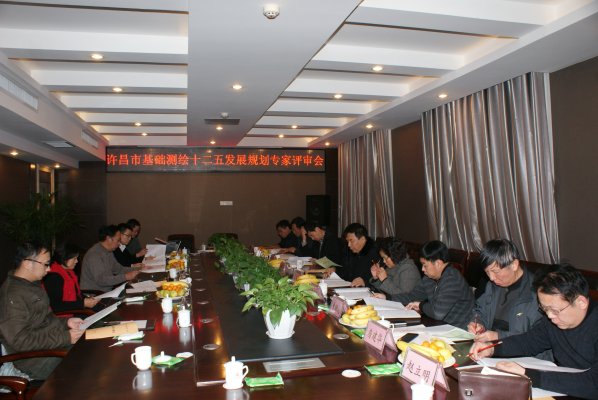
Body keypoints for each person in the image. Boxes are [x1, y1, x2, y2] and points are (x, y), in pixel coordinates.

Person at [470, 264, 598, 399]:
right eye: (544, 309)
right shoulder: (553, 322)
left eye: (555, 310)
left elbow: (594, 383)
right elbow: (528, 342)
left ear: (581, 302)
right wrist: (491, 348)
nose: (550, 316)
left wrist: (529, 375)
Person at [0, 243, 84, 380]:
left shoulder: (31, 284)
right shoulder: (12, 295)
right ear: (27, 264)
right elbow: (21, 341)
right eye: (45, 264)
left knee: (93, 342)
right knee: (88, 359)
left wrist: (67, 322)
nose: (49, 269)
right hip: (35, 359)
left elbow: (46, 319)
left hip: (51, 346)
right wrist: (65, 337)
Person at [467, 239, 544, 343]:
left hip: (520, 351)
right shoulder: (493, 286)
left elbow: (538, 337)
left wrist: (498, 336)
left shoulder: (538, 293)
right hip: (489, 346)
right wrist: (478, 324)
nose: (491, 278)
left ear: (514, 265)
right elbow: (480, 310)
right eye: (487, 272)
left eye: (495, 271)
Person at [390, 240, 474, 329]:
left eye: (425, 265)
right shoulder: (429, 278)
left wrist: (421, 306)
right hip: (439, 326)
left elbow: (438, 313)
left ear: (438, 263)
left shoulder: (452, 279)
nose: (422, 269)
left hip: (459, 330)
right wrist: (387, 297)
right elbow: (412, 296)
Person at [80, 225, 140, 292]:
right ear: (109, 239)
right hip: (94, 293)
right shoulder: (94, 254)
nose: (119, 244)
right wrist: (126, 277)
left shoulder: (108, 251)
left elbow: (119, 269)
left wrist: (138, 269)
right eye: (118, 240)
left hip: (107, 290)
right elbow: (101, 280)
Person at [44, 243, 100, 313]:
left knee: (103, 307)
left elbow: (76, 294)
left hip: (74, 309)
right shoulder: (53, 277)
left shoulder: (68, 272)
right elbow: (55, 306)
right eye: (74, 258)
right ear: (64, 258)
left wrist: (87, 299)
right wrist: (83, 303)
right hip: (63, 315)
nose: (77, 261)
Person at [329, 223, 378, 287]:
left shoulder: (375, 253)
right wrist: (335, 271)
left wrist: (364, 281)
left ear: (362, 239)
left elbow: (380, 279)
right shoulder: (351, 251)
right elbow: (346, 272)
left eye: (351, 241)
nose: (349, 245)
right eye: (347, 241)